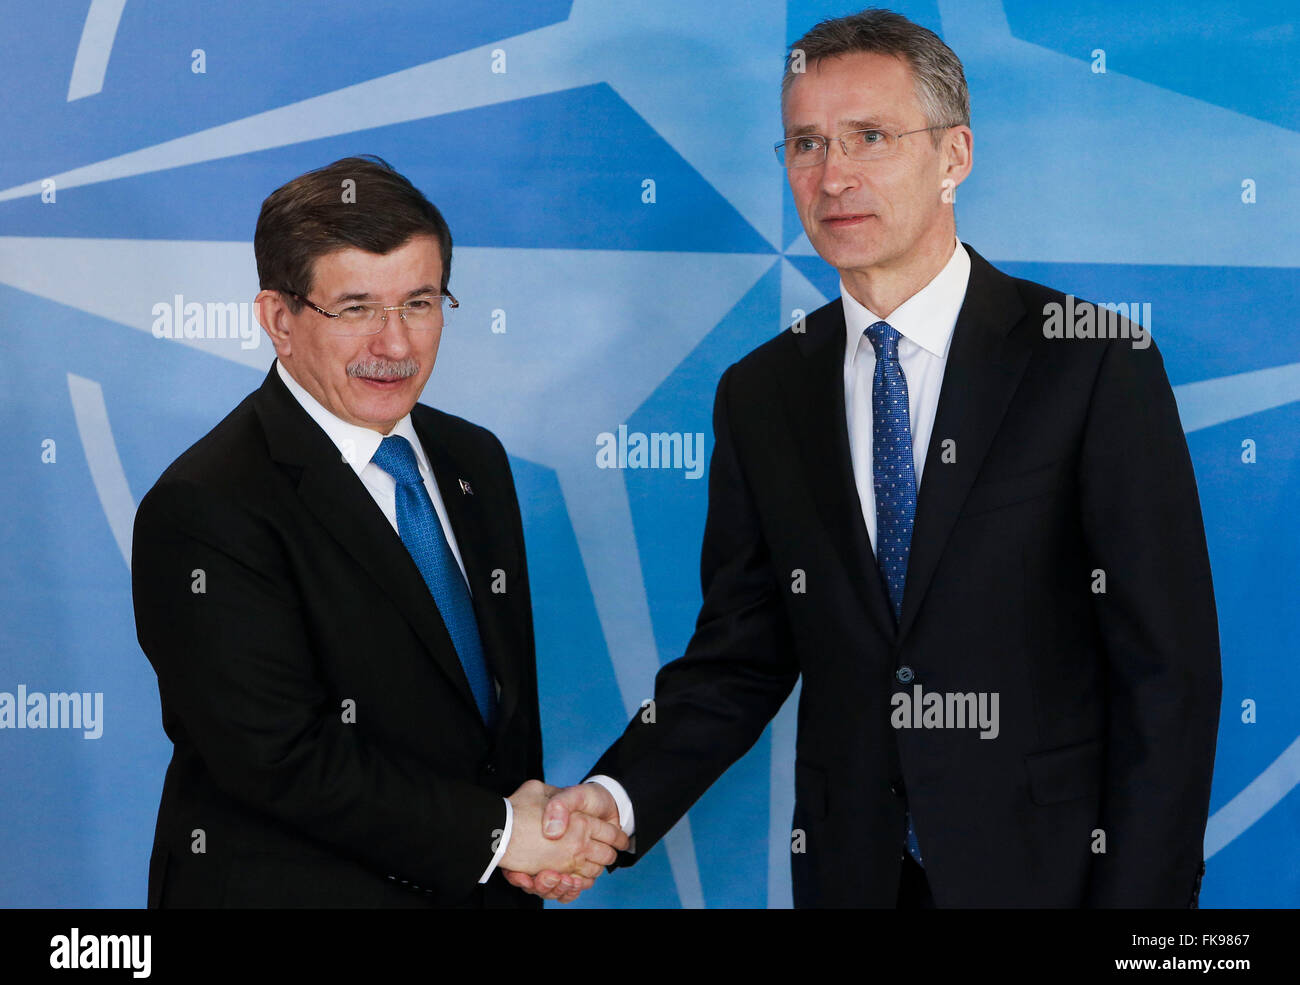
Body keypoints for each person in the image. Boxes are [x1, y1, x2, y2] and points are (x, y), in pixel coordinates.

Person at [511, 9, 1221, 907]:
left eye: (870, 137)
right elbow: (742, 654)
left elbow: (1170, 679)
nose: (833, 175)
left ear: (954, 155)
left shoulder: (1090, 363)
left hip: (1055, 878)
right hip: (854, 875)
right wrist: (609, 804)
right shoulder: (762, 393)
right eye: (805, 144)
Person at [132, 155, 625, 907]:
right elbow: (280, 761)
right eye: (356, 307)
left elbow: (493, 725)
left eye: (419, 303)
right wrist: (499, 834)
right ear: (278, 320)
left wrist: (529, 846)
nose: (395, 345)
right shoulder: (207, 506)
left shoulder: (474, 460)